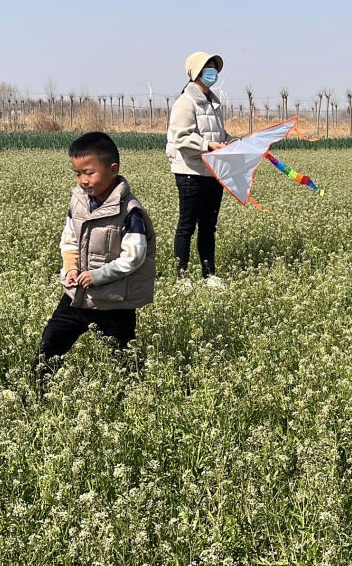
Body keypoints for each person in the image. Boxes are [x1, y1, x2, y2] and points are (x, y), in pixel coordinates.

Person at [31, 132, 156, 390]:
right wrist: (70, 268)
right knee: (52, 341)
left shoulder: (130, 211)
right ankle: (36, 393)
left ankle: (138, 395)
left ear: (113, 169)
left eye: (89, 173)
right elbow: (69, 239)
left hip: (114, 300)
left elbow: (134, 257)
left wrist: (97, 276)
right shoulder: (78, 202)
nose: (83, 181)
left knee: (123, 354)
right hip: (77, 294)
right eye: (77, 174)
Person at [166, 51, 235, 288]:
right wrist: (207, 146)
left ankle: (209, 275)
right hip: (190, 171)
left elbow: (219, 134)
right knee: (187, 224)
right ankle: (181, 277)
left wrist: (233, 142)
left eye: (214, 68)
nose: (213, 72)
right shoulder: (185, 102)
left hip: (213, 171)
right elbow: (181, 137)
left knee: (208, 226)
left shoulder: (214, 103)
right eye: (208, 68)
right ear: (196, 72)